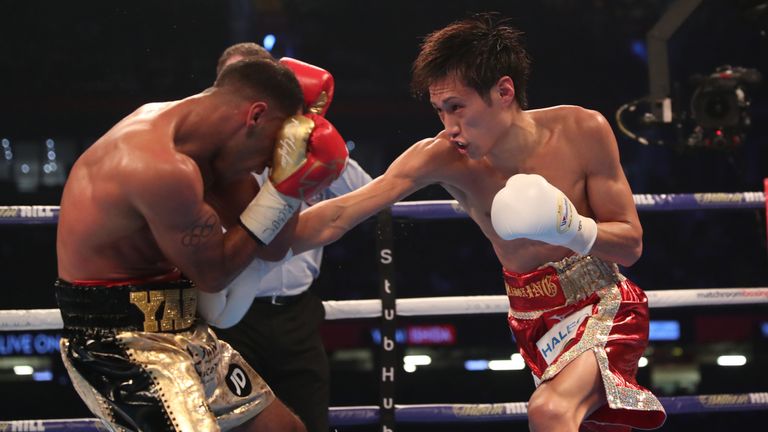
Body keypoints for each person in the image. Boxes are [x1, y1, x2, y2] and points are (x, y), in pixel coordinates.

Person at [290, 13, 666, 432]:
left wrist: (572, 228)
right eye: (440, 111)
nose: (450, 127)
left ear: (504, 91)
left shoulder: (581, 130)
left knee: (551, 411)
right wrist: (259, 234)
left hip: (603, 303)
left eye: (458, 108)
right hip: (531, 318)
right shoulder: (442, 157)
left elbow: (631, 245)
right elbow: (342, 213)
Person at [54, 58, 349, 432]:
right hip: (118, 344)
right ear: (256, 116)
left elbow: (274, 247)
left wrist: (288, 188)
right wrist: (279, 195)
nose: (267, 165)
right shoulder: (159, 165)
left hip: (184, 328)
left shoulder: (215, 154)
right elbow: (214, 274)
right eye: (273, 150)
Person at [200, 43, 373, 432]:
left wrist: (312, 127)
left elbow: (366, 196)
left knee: (308, 423)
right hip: (230, 317)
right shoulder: (212, 151)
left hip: (297, 316)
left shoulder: (305, 139)